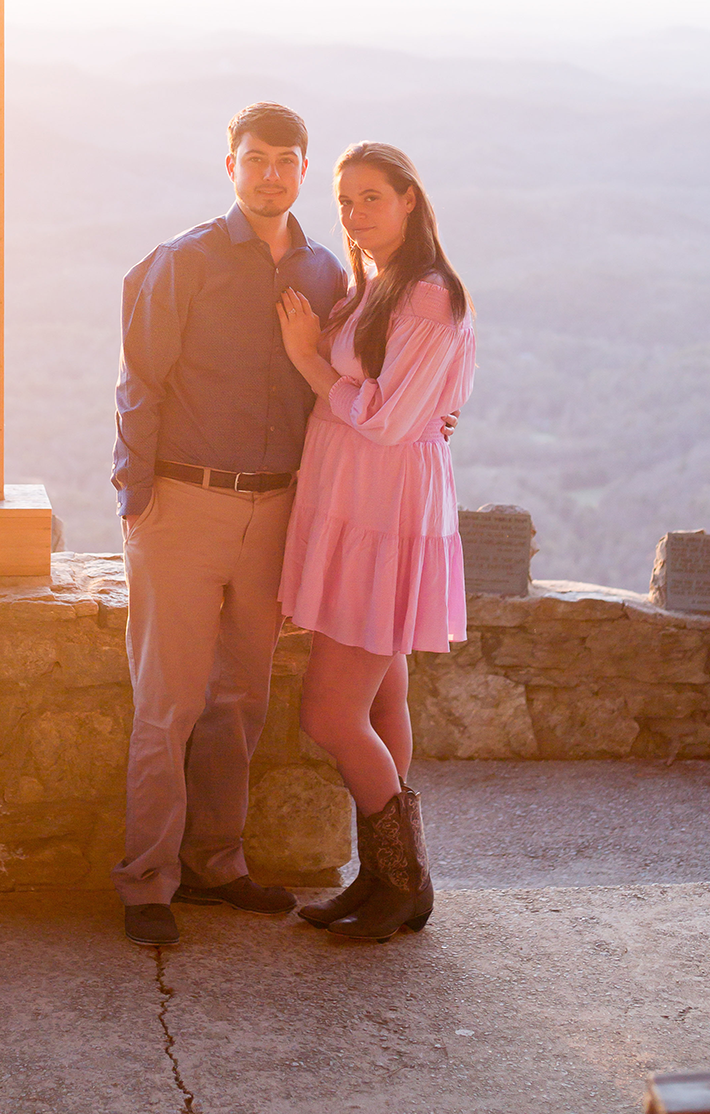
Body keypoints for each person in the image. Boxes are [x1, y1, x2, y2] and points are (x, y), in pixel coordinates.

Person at [110, 102, 349, 947]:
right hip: (184, 502)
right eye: (256, 158)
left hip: (278, 507)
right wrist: (137, 495)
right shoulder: (186, 261)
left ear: (303, 170)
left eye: (286, 160)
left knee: (241, 698)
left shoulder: (325, 273)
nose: (271, 173)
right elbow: (140, 379)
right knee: (167, 698)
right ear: (231, 167)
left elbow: (352, 377)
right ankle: (148, 881)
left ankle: (218, 865)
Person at [276, 142, 474, 943]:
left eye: (372, 199)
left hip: (381, 514)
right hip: (362, 503)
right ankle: (386, 879)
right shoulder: (379, 287)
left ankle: (404, 880)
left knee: (328, 714)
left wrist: (305, 361)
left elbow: (390, 419)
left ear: (410, 202)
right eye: (345, 200)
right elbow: (409, 404)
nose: (356, 215)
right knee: (383, 696)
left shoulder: (428, 296)